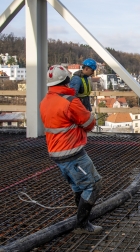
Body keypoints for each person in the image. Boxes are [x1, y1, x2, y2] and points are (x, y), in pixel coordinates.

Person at [40, 65, 103, 234]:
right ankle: (82, 224)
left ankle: (83, 219)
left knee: (79, 186)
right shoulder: (69, 101)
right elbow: (89, 124)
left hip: (56, 152)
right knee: (93, 185)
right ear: (67, 80)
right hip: (72, 152)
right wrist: (90, 118)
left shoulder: (45, 102)